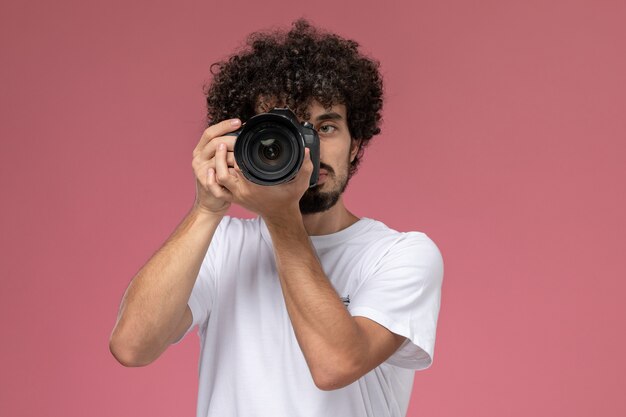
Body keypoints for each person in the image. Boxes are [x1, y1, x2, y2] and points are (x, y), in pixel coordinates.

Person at [109, 19, 444, 417]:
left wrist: (282, 217)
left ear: (356, 144)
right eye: (286, 135)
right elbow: (132, 347)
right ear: (245, 143)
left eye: (327, 127)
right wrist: (206, 208)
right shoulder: (221, 244)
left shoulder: (401, 254)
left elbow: (335, 364)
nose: (309, 152)